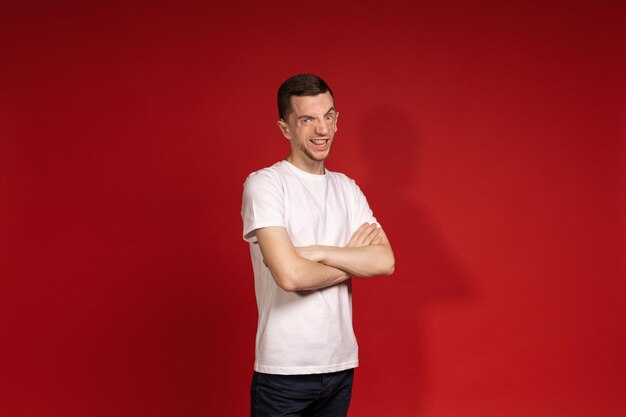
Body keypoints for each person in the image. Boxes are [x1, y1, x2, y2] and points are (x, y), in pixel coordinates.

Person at [241, 73, 395, 417]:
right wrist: (353, 259)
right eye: (307, 119)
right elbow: (290, 276)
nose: (321, 130)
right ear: (286, 129)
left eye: (328, 116)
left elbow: (385, 261)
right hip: (284, 372)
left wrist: (322, 252)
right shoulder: (265, 185)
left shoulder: (347, 188)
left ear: (337, 120)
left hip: (340, 365)